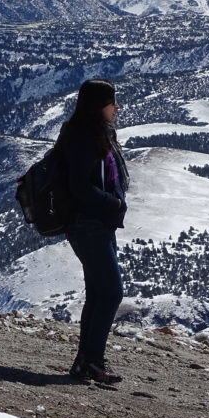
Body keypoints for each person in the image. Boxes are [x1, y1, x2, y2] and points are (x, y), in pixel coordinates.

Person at [57, 78, 129, 384]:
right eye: (112, 102)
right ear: (99, 105)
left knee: (98, 293)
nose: (116, 107)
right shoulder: (84, 137)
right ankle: (92, 361)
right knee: (111, 292)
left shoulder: (93, 132)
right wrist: (111, 204)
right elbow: (79, 186)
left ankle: (86, 362)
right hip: (89, 224)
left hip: (97, 224)